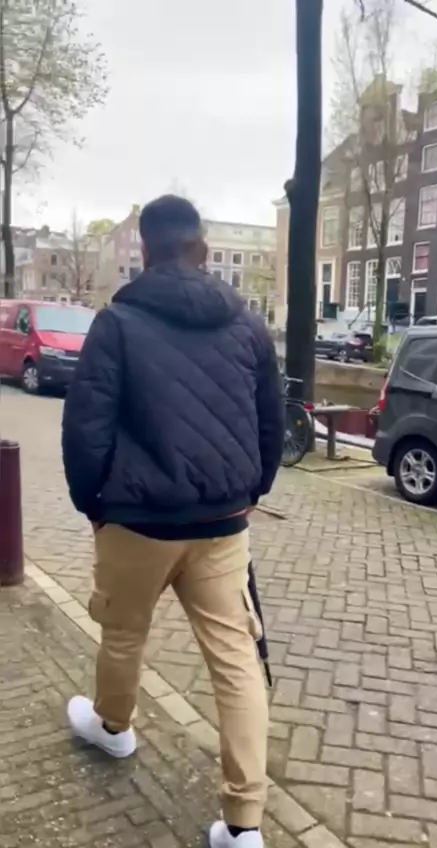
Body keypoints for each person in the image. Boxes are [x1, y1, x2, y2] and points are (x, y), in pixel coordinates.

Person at [62, 195, 285, 848]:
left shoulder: (117, 323)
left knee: (123, 633)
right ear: (203, 247)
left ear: (145, 251)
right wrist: (251, 491)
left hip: (138, 520)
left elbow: (86, 428)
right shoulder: (247, 325)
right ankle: (244, 825)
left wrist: (94, 506)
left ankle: (113, 728)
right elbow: (271, 422)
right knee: (236, 659)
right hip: (224, 521)